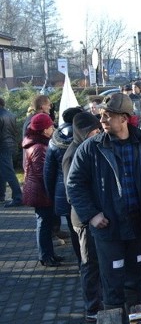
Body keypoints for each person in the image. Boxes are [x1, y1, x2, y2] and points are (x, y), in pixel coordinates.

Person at [66, 94, 141, 320]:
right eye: (101, 115)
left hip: (136, 226)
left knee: (135, 279)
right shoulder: (91, 149)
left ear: (124, 118)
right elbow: (74, 185)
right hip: (108, 230)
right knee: (112, 283)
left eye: (107, 115)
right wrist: (91, 215)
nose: (102, 119)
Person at [62, 112, 103, 321]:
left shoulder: (89, 149)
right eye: (93, 132)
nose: (97, 135)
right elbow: (73, 191)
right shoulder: (73, 154)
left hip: (92, 215)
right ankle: (92, 308)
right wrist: (91, 214)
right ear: (82, 132)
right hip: (84, 219)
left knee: (96, 262)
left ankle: (99, 300)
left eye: (98, 130)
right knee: (89, 263)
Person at [44, 106, 84, 265]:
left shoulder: (54, 140)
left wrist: (51, 194)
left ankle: (82, 262)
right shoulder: (84, 138)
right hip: (84, 191)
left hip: (63, 193)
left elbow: (48, 171)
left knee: (73, 229)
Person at [21, 113, 62, 267]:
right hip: (41, 191)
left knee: (46, 223)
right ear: (45, 130)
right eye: (51, 126)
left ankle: (49, 254)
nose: (53, 128)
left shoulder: (38, 143)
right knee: (44, 224)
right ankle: (45, 256)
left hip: (40, 190)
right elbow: (42, 172)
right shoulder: (39, 147)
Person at [0, 97, 23, 207]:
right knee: (4, 171)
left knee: (8, 172)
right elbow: (14, 131)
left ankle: (18, 197)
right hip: (10, 145)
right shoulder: (11, 114)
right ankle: (1, 195)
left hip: (2, 146)